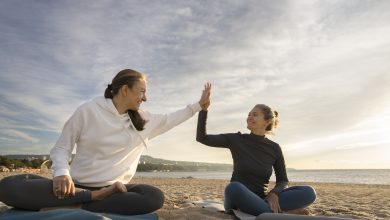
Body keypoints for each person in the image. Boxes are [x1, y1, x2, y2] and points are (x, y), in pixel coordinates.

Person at [0, 69, 210, 215]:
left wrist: (199, 105)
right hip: (75, 188)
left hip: (114, 191)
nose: (145, 97)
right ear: (125, 89)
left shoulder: (144, 120)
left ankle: (80, 204)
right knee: (8, 187)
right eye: (142, 91)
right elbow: (62, 147)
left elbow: (172, 118)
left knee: (153, 196)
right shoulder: (88, 110)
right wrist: (62, 173)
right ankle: (89, 198)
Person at [196, 83, 316, 216]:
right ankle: (278, 214)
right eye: (249, 114)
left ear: (266, 121)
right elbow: (202, 138)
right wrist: (204, 110)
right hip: (238, 198)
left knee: (309, 192)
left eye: (254, 115)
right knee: (233, 188)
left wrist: (274, 193)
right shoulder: (236, 139)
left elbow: (283, 180)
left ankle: (266, 211)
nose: (249, 117)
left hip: (261, 199)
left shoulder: (274, 148)